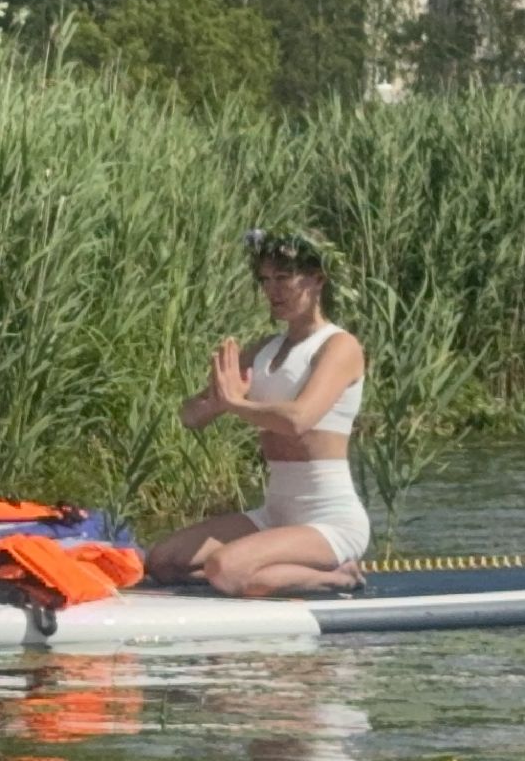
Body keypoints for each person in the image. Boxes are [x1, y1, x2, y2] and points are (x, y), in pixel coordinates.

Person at [144, 228, 368, 597]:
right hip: (275, 515)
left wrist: (237, 405)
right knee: (163, 561)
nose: (272, 290)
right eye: (265, 280)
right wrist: (215, 402)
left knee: (225, 568)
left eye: (283, 278)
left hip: (330, 521)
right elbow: (190, 416)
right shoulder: (264, 348)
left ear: (317, 280)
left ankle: (335, 576)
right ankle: (258, 570)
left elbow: (298, 420)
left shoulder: (339, 346)